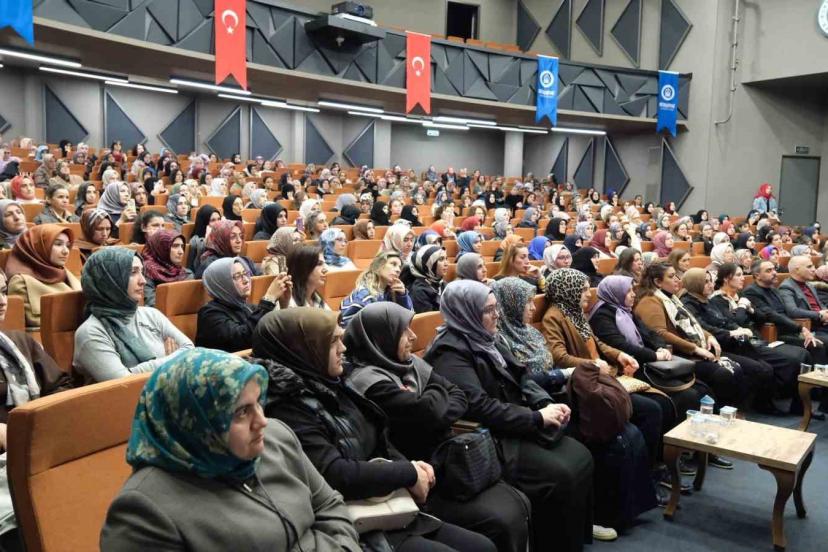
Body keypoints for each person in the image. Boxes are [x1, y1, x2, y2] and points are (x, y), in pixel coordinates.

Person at [252, 308, 496, 552]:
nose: (343, 348)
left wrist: (412, 473)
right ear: (304, 349)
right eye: (333, 341)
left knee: (482, 546)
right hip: (358, 525)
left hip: (389, 503)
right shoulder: (288, 410)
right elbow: (336, 474)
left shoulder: (335, 383)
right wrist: (408, 473)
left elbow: (381, 436)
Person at [100, 348, 361, 551]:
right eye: (241, 412)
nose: (262, 421)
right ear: (198, 422)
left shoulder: (277, 438)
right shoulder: (144, 511)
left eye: (259, 402)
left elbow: (329, 505)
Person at [424, 280, 597, 549]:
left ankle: (572, 536)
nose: (497, 315)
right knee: (561, 473)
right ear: (467, 312)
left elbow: (522, 375)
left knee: (580, 454)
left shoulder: (486, 337)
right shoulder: (450, 352)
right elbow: (480, 407)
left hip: (517, 419)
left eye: (496, 308)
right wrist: (537, 418)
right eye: (488, 310)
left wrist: (543, 402)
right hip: (492, 436)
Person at [344, 303, 529, 552]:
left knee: (519, 502)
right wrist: (436, 396)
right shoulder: (369, 382)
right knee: (499, 522)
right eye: (404, 331)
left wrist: (432, 399)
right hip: (421, 477)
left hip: (447, 461)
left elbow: (457, 396)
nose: (414, 336)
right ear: (381, 338)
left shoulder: (408, 363)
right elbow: (431, 412)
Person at [633, 263, 743, 431]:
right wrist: (695, 348)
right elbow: (660, 334)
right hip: (678, 355)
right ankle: (719, 420)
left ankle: (725, 417)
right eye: (671, 276)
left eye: (676, 275)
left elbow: (693, 324)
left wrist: (709, 336)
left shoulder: (672, 298)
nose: (677, 279)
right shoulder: (650, 301)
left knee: (735, 368)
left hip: (688, 350)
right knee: (722, 374)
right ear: (657, 281)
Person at [73, 247, 192, 382]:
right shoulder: (91, 332)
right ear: (110, 280)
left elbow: (190, 350)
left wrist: (137, 370)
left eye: (142, 272)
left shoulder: (151, 314)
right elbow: (123, 383)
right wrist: (170, 361)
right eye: (133, 272)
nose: (143, 281)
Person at [710, 263, 811, 413]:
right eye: (738, 275)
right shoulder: (718, 300)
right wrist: (742, 308)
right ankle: (768, 403)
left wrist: (751, 309)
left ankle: (799, 405)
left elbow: (762, 317)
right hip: (742, 345)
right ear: (726, 279)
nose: (742, 278)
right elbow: (736, 323)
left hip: (757, 340)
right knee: (792, 360)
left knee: (803, 354)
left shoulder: (740, 296)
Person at [679, 268, 779, 414]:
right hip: (715, 347)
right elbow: (704, 328)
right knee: (758, 369)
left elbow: (725, 320)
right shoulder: (689, 303)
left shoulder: (707, 300)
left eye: (710, 281)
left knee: (766, 367)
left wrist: (738, 328)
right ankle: (740, 410)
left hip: (730, 342)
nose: (710, 285)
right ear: (695, 284)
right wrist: (732, 332)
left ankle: (757, 406)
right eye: (705, 282)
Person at [493, 277, 572, 394]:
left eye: (533, 301)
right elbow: (521, 381)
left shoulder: (531, 331)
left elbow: (551, 364)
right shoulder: (499, 341)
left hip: (557, 390)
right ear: (511, 304)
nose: (533, 308)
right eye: (527, 302)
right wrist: (565, 373)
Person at [196, 257, 289, 352]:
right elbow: (243, 340)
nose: (246, 280)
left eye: (246, 273)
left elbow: (273, 332)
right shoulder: (209, 314)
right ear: (221, 283)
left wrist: (284, 304)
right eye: (237, 276)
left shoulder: (249, 307)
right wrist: (269, 298)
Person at [6, 225, 82, 330]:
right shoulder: (21, 281)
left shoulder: (66, 273)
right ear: (38, 247)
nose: (66, 251)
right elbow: (34, 320)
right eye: (58, 244)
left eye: (68, 245)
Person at [340, 252, 413, 327]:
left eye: (399, 267)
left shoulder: (392, 293)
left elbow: (409, 320)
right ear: (379, 265)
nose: (398, 270)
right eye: (393, 264)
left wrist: (402, 296)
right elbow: (346, 326)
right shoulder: (364, 295)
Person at [141, 230, 193, 308]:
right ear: (161, 248)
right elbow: (151, 304)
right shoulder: (146, 270)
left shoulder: (186, 274)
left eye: (182, 246)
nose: (181, 251)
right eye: (175, 246)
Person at [778, 255, 828, 333]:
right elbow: (793, 311)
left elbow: (819, 304)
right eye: (809, 267)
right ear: (797, 270)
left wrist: (826, 313)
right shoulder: (786, 287)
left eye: (813, 266)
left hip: (822, 323)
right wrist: (819, 315)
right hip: (809, 327)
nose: (814, 269)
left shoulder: (809, 285)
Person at [286, 245, 331, 309]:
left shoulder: (317, 298)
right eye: (319, 264)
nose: (326, 270)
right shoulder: (289, 303)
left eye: (324, 264)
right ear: (303, 268)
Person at [407, 244, 447, 314]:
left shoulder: (441, 283)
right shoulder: (419, 291)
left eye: (446, 258)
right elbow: (429, 321)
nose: (446, 263)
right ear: (428, 263)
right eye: (441, 259)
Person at [186, 204, 221, 271]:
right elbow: (197, 267)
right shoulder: (195, 242)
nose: (217, 223)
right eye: (213, 220)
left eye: (219, 219)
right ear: (204, 222)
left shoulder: (223, 239)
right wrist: (207, 240)